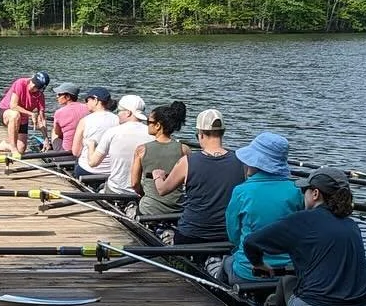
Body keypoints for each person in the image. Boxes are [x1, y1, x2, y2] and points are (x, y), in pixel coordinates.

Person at [243, 168, 366, 306]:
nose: (302, 195)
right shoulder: (352, 225)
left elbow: (250, 242)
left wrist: (259, 264)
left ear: (315, 194)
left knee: (286, 283)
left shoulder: (301, 220)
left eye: (304, 191)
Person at [153, 107, 245, 247]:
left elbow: (162, 190)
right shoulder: (241, 161)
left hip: (191, 235)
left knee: (161, 230)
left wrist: (157, 176)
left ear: (200, 134)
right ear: (223, 133)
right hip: (228, 234)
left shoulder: (187, 161)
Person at [221, 131, 304, 284]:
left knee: (226, 262)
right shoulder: (296, 191)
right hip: (288, 271)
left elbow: (233, 235)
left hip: (250, 271)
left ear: (255, 163)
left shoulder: (241, 191)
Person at [79, 94, 151, 198]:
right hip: (142, 190)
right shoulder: (152, 134)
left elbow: (93, 163)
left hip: (116, 189)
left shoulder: (112, 132)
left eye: (119, 111)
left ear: (128, 113)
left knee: (101, 188)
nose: (117, 114)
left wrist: (91, 145)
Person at [129, 101, 187, 226]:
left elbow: (134, 184)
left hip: (150, 209)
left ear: (158, 126)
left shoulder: (141, 150)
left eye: (149, 122)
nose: (147, 125)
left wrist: (144, 194)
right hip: (177, 209)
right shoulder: (184, 150)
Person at [0, 71, 49, 155]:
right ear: (32, 79)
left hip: (22, 118)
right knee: (15, 115)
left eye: (36, 87)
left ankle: (5, 145)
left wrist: (46, 138)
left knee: (21, 149)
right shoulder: (20, 83)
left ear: (41, 89)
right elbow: (13, 106)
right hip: (5, 111)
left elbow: (42, 119)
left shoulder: (40, 96)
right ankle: (13, 148)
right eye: (33, 83)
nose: (32, 86)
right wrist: (31, 114)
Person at [72, 86, 118, 174]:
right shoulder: (118, 120)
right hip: (111, 170)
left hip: (88, 169)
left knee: (77, 161)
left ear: (96, 100)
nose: (86, 103)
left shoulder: (85, 121)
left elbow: (76, 152)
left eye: (87, 100)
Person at [50, 82, 88, 154]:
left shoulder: (59, 112)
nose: (57, 96)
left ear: (68, 97)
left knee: (54, 132)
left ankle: (54, 150)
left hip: (66, 154)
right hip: (84, 151)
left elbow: (57, 133)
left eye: (59, 94)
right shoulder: (87, 108)